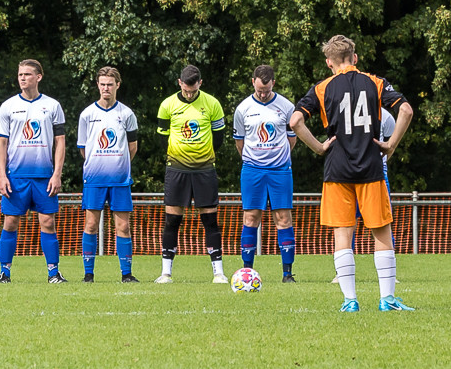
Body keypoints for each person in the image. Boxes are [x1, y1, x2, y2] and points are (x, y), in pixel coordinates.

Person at [290, 35, 414, 311]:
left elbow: (295, 121)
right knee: (381, 232)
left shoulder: (322, 88)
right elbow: (406, 110)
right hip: (371, 166)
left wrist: (320, 147)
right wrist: (391, 144)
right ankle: (387, 300)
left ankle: (350, 301)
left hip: (337, 169)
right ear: (355, 58)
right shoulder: (375, 82)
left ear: (329, 62)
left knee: (343, 235)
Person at [0, 58, 69, 282]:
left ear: (39, 77)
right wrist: (2, 175)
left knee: (48, 222)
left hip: (44, 176)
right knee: (10, 222)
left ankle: (53, 273)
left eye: (27, 74)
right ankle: (4, 273)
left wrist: (57, 174)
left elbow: (60, 141)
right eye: (20, 75)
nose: (23, 78)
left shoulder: (52, 106)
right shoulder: (8, 106)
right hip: (16, 177)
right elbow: (1, 143)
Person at [156, 65, 228, 284]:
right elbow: (162, 137)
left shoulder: (212, 104)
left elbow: (219, 137)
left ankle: (218, 273)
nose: (189, 94)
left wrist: (204, 156)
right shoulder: (167, 105)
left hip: (205, 169)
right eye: (186, 90)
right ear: (180, 83)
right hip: (176, 168)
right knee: (172, 220)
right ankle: (166, 273)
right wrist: (176, 156)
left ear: (200, 84)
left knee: (210, 220)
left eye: (193, 90)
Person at [233, 64, 300, 281]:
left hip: (280, 170)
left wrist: (278, 158)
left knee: (283, 218)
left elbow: (291, 139)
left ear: (274, 83)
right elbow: (240, 143)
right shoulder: (243, 109)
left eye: (267, 90)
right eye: (260, 90)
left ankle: (287, 273)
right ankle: (247, 271)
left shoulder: (287, 107)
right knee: (251, 217)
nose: (263, 94)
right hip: (252, 170)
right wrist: (255, 159)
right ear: (253, 82)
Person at [78, 66, 141, 282]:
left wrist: (119, 163)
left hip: (120, 180)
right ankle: (88, 274)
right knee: (91, 225)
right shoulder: (87, 114)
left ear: (117, 85)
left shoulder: (127, 114)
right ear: (98, 85)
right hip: (94, 179)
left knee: (123, 226)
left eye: (110, 84)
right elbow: (83, 148)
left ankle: (127, 274)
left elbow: (132, 147)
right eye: (103, 84)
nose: (106, 88)